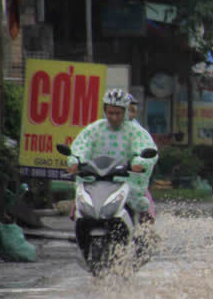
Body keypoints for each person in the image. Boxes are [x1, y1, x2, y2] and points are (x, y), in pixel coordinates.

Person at [67, 89, 158, 219]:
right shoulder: (95, 129)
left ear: (125, 112)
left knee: (145, 210)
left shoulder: (135, 131)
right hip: (96, 180)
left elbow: (144, 147)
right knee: (79, 208)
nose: (114, 117)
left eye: (118, 113)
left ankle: (145, 234)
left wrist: (139, 163)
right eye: (110, 113)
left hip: (127, 181)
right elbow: (81, 146)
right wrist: (75, 161)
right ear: (105, 111)